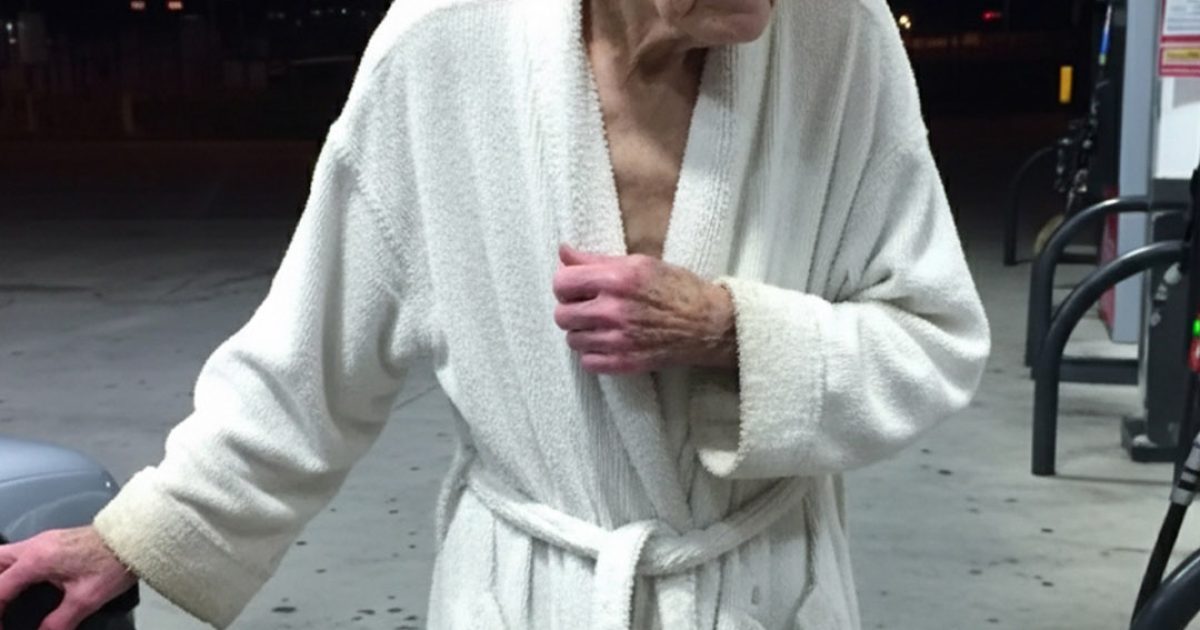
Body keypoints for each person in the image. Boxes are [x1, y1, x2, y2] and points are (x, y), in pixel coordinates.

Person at [0, 0, 991, 628]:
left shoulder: (843, 36)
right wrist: (145, 532)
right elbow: (311, 358)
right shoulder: (443, 46)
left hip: (765, 588)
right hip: (529, 597)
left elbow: (933, 336)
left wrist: (730, 333)